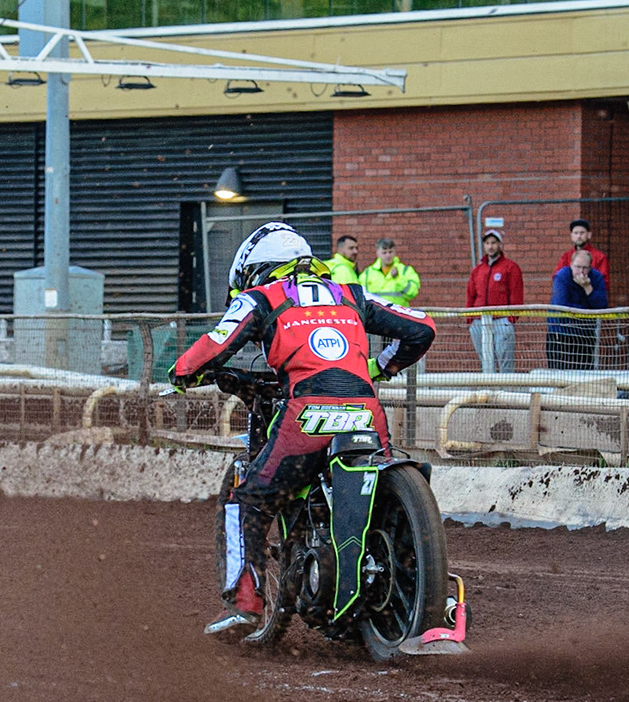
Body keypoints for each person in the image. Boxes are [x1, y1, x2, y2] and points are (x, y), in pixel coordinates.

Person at [168, 222, 435, 637]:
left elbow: (215, 343)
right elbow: (422, 327)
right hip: (367, 414)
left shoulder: (263, 297)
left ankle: (246, 605)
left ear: (257, 269)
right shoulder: (351, 293)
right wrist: (380, 367)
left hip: (306, 417)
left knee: (249, 499)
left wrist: (182, 373)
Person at [466, 229, 524, 372]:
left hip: (502, 320)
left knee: (505, 360)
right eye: (487, 243)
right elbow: (471, 294)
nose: (490, 246)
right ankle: (489, 391)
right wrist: (470, 318)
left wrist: (511, 318)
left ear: (499, 245)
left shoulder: (511, 267)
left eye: (493, 243)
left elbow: (516, 294)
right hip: (479, 320)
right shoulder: (478, 270)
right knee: (486, 361)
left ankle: (507, 392)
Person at [548, 248, 608, 369]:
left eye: (585, 268)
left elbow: (602, 306)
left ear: (590, 267)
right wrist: (587, 310)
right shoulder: (562, 276)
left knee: (584, 377)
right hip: (560, 334)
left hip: (585, 335)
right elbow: (562, 306)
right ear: (571, 265)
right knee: (558, 375)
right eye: (577, 267)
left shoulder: (596, 278)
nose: (581, 271)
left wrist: (588, 288)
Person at [361, 238, 420, 308]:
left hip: (398, 315)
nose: (388, 255)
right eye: (384, 252)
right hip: (375, 316)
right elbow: (361, 295)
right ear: (377, 253)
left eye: (390, 252)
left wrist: (398, 278)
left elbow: (412, 293)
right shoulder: (368, 273)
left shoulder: (405, 271)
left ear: (395, 252)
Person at [555, 218, 610, 285]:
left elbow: (604, 282)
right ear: (571, 236)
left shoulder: (600, 257)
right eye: (576, 233)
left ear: (589, 235)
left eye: (582, 233)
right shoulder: (566, 256)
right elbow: (557, 278)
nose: (578, 236)